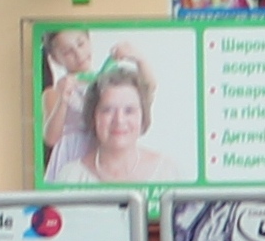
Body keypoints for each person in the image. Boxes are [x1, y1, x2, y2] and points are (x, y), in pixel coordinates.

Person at [46, 56, 169, 185]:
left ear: (143, 116)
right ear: (93, 117)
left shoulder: (165, 172)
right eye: (107, 110)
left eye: (129, 111)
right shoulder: (70, 176)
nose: (119, 120)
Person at [38, 28, 100, 179]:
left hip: (101, 153)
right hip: (70, 155)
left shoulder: (106, 82)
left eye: (81, 44)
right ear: (55, 58)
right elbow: (51, 138)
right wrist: (63, 99)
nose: (79, 54)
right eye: (67, 52)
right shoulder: (54, 92)